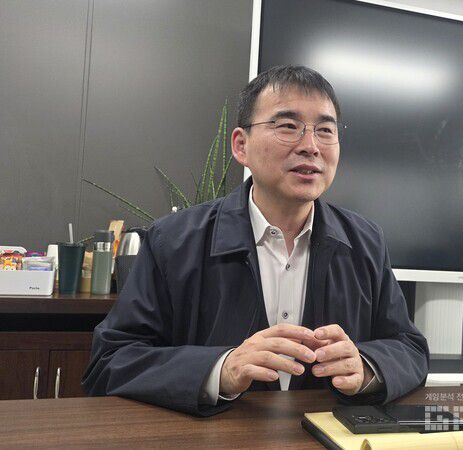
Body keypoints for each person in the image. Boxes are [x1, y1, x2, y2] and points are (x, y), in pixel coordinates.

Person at [82, 65, 429, 417]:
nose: (311, 146)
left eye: (325, 130)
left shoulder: (365, 241)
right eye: (288, 126)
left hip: (322, 437)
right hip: (214, 437)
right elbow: (111, 361)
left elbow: (409, 348)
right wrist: (221, 370)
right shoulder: (173, 240)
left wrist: (366, 368)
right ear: (241, 145)